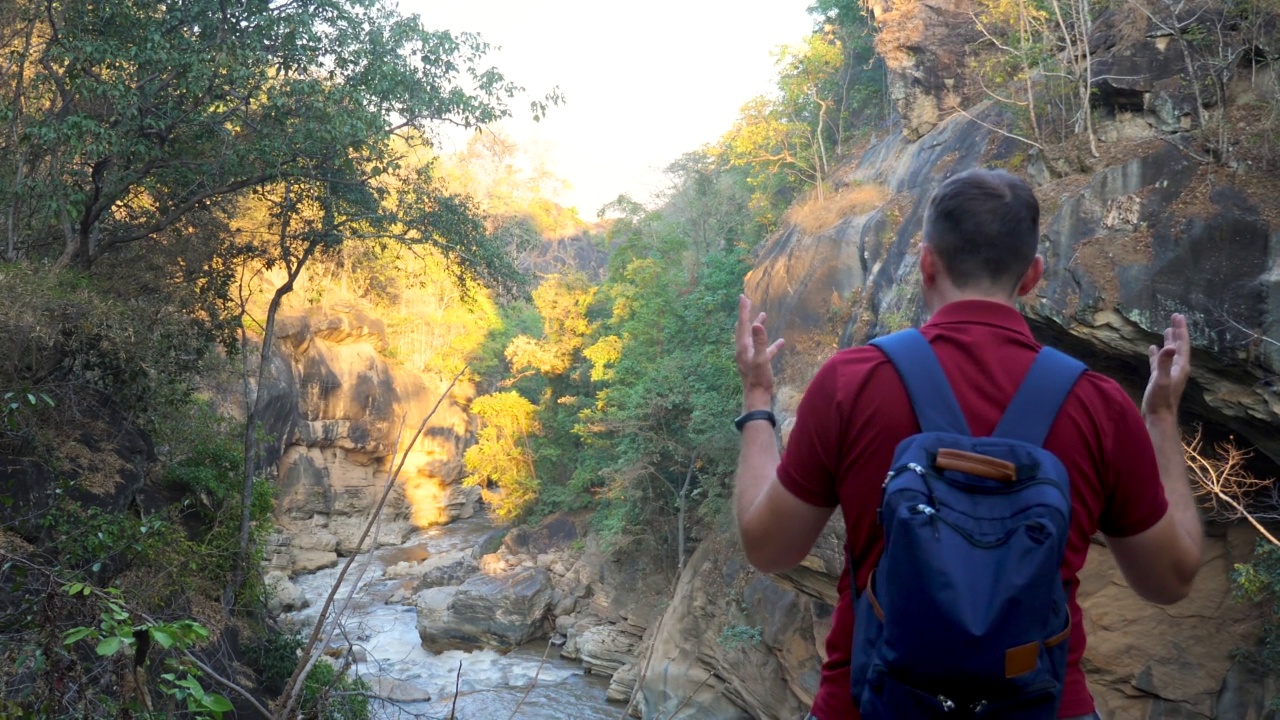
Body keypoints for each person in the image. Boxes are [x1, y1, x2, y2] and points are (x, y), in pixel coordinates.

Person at [731, 168, 1205, 720]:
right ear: (1032, 276)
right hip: (1045, 706)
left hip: (868, 703)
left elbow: (769, 548)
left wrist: (758, 396)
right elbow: (1169, 580)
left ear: (927, 263)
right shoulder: (1098, 404)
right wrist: (1163, 417)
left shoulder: (851, 382)